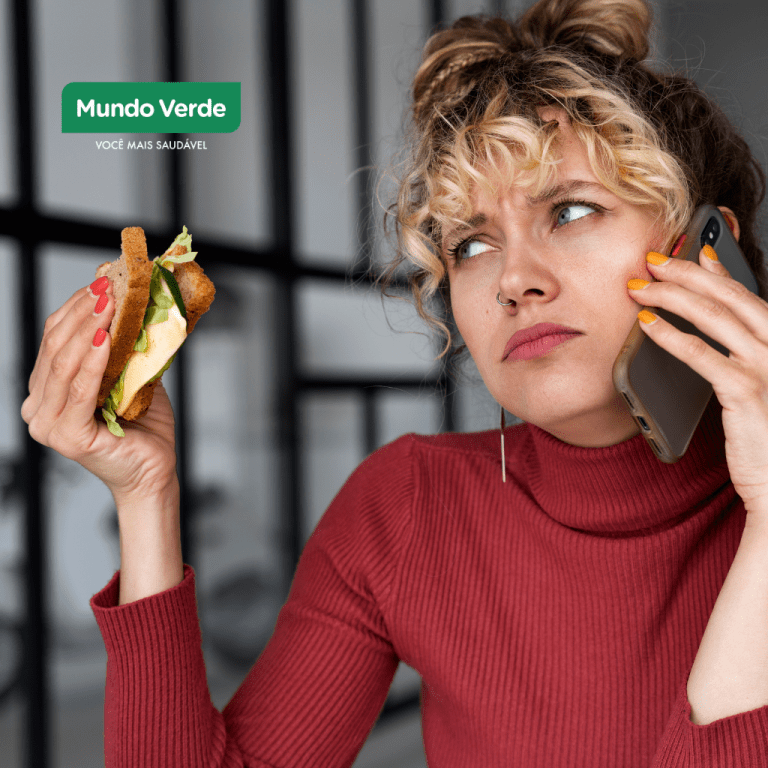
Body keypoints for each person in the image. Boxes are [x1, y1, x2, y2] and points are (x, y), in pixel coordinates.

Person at [21, 0, 768, 765]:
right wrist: (145, 496)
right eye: (472, 245)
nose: (514, 280)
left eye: (572, 210)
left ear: (709, 253)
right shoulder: (407, 508)